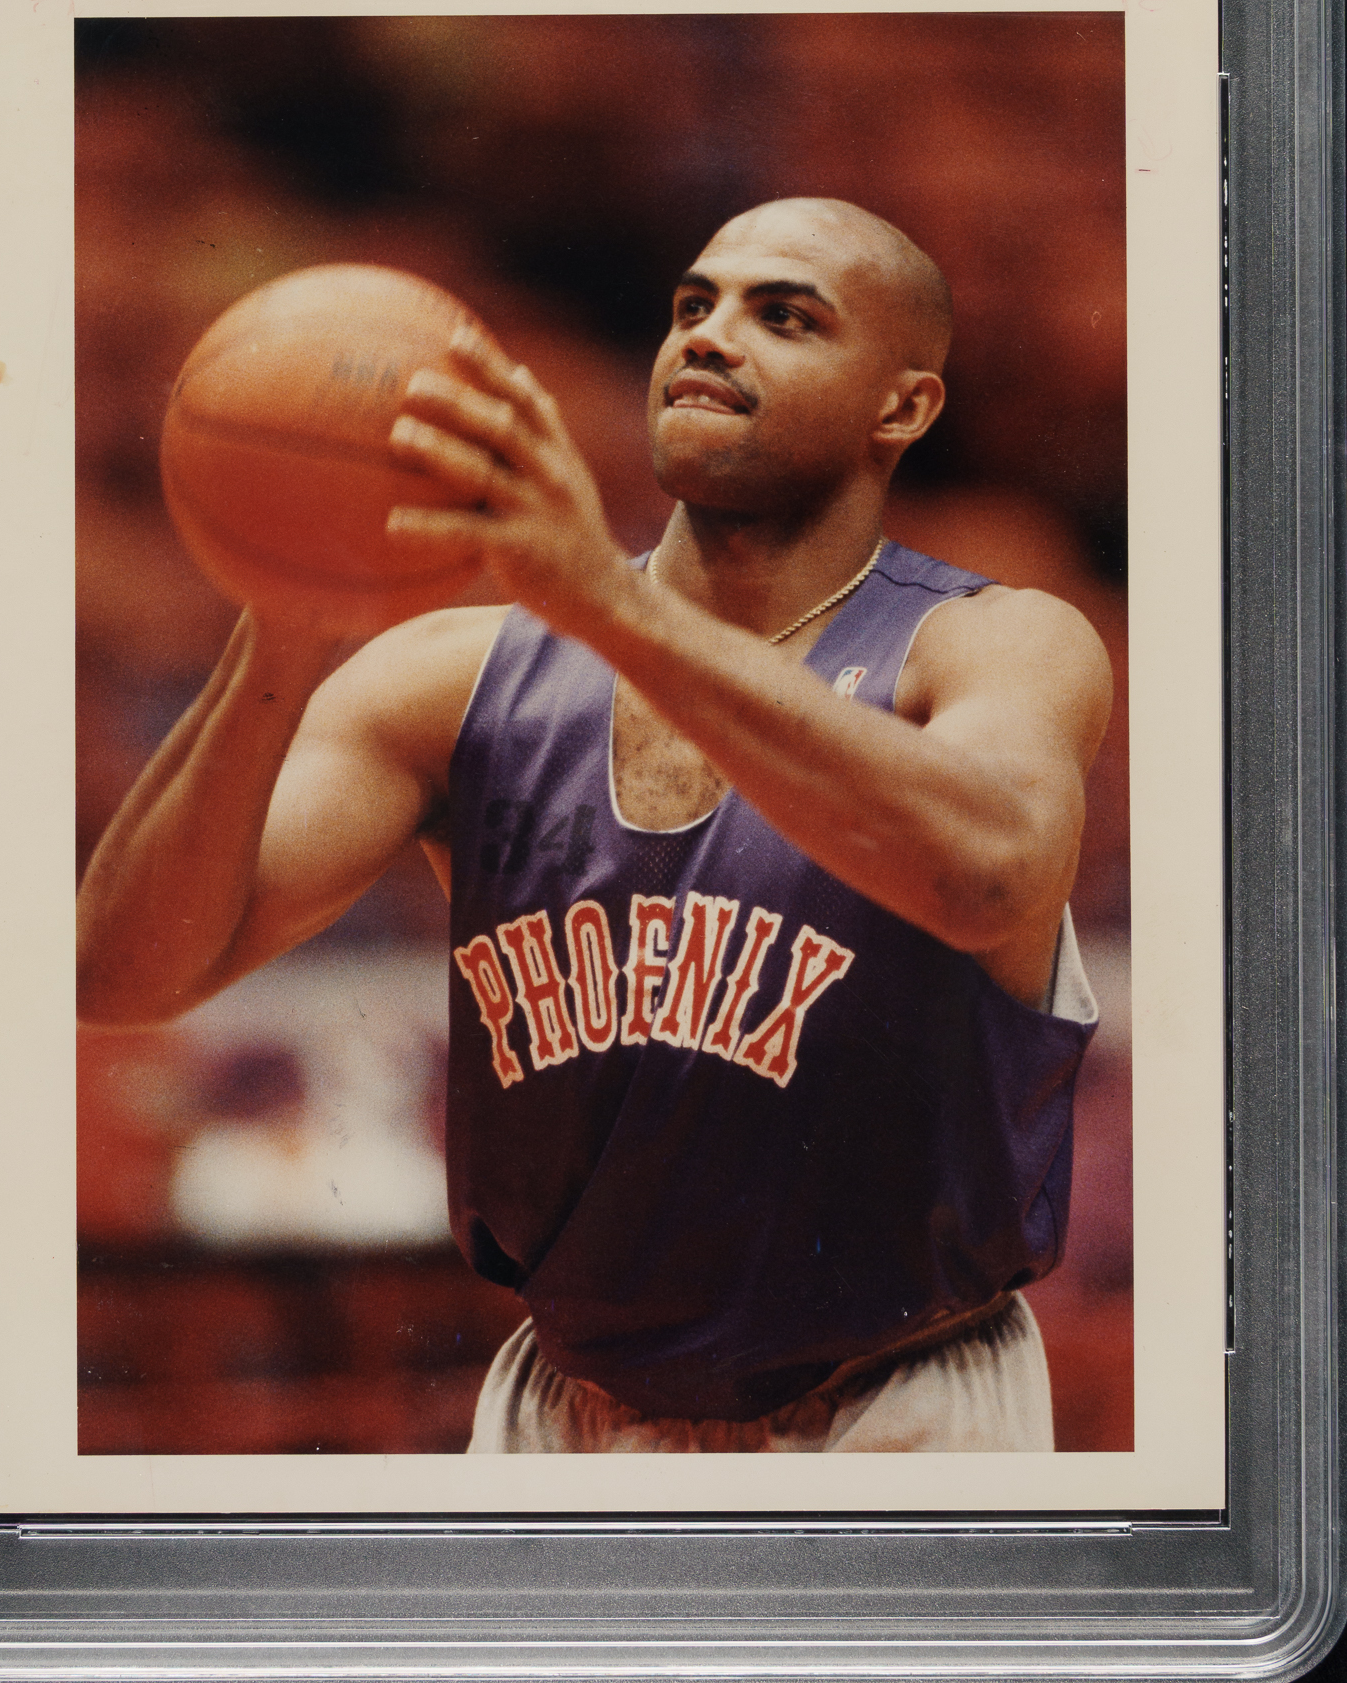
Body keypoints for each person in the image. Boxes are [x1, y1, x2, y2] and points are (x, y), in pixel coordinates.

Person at [78, 195, 1112, 1454]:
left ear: (901, 408)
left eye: (785, 316)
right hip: (566, 1409)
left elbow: (994, 874)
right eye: (694, 305)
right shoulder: (449, 679)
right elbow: (120, 976)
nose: (711, 334)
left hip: (900, 1403)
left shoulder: (993, 643)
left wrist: (611, 610)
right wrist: (278, 631)